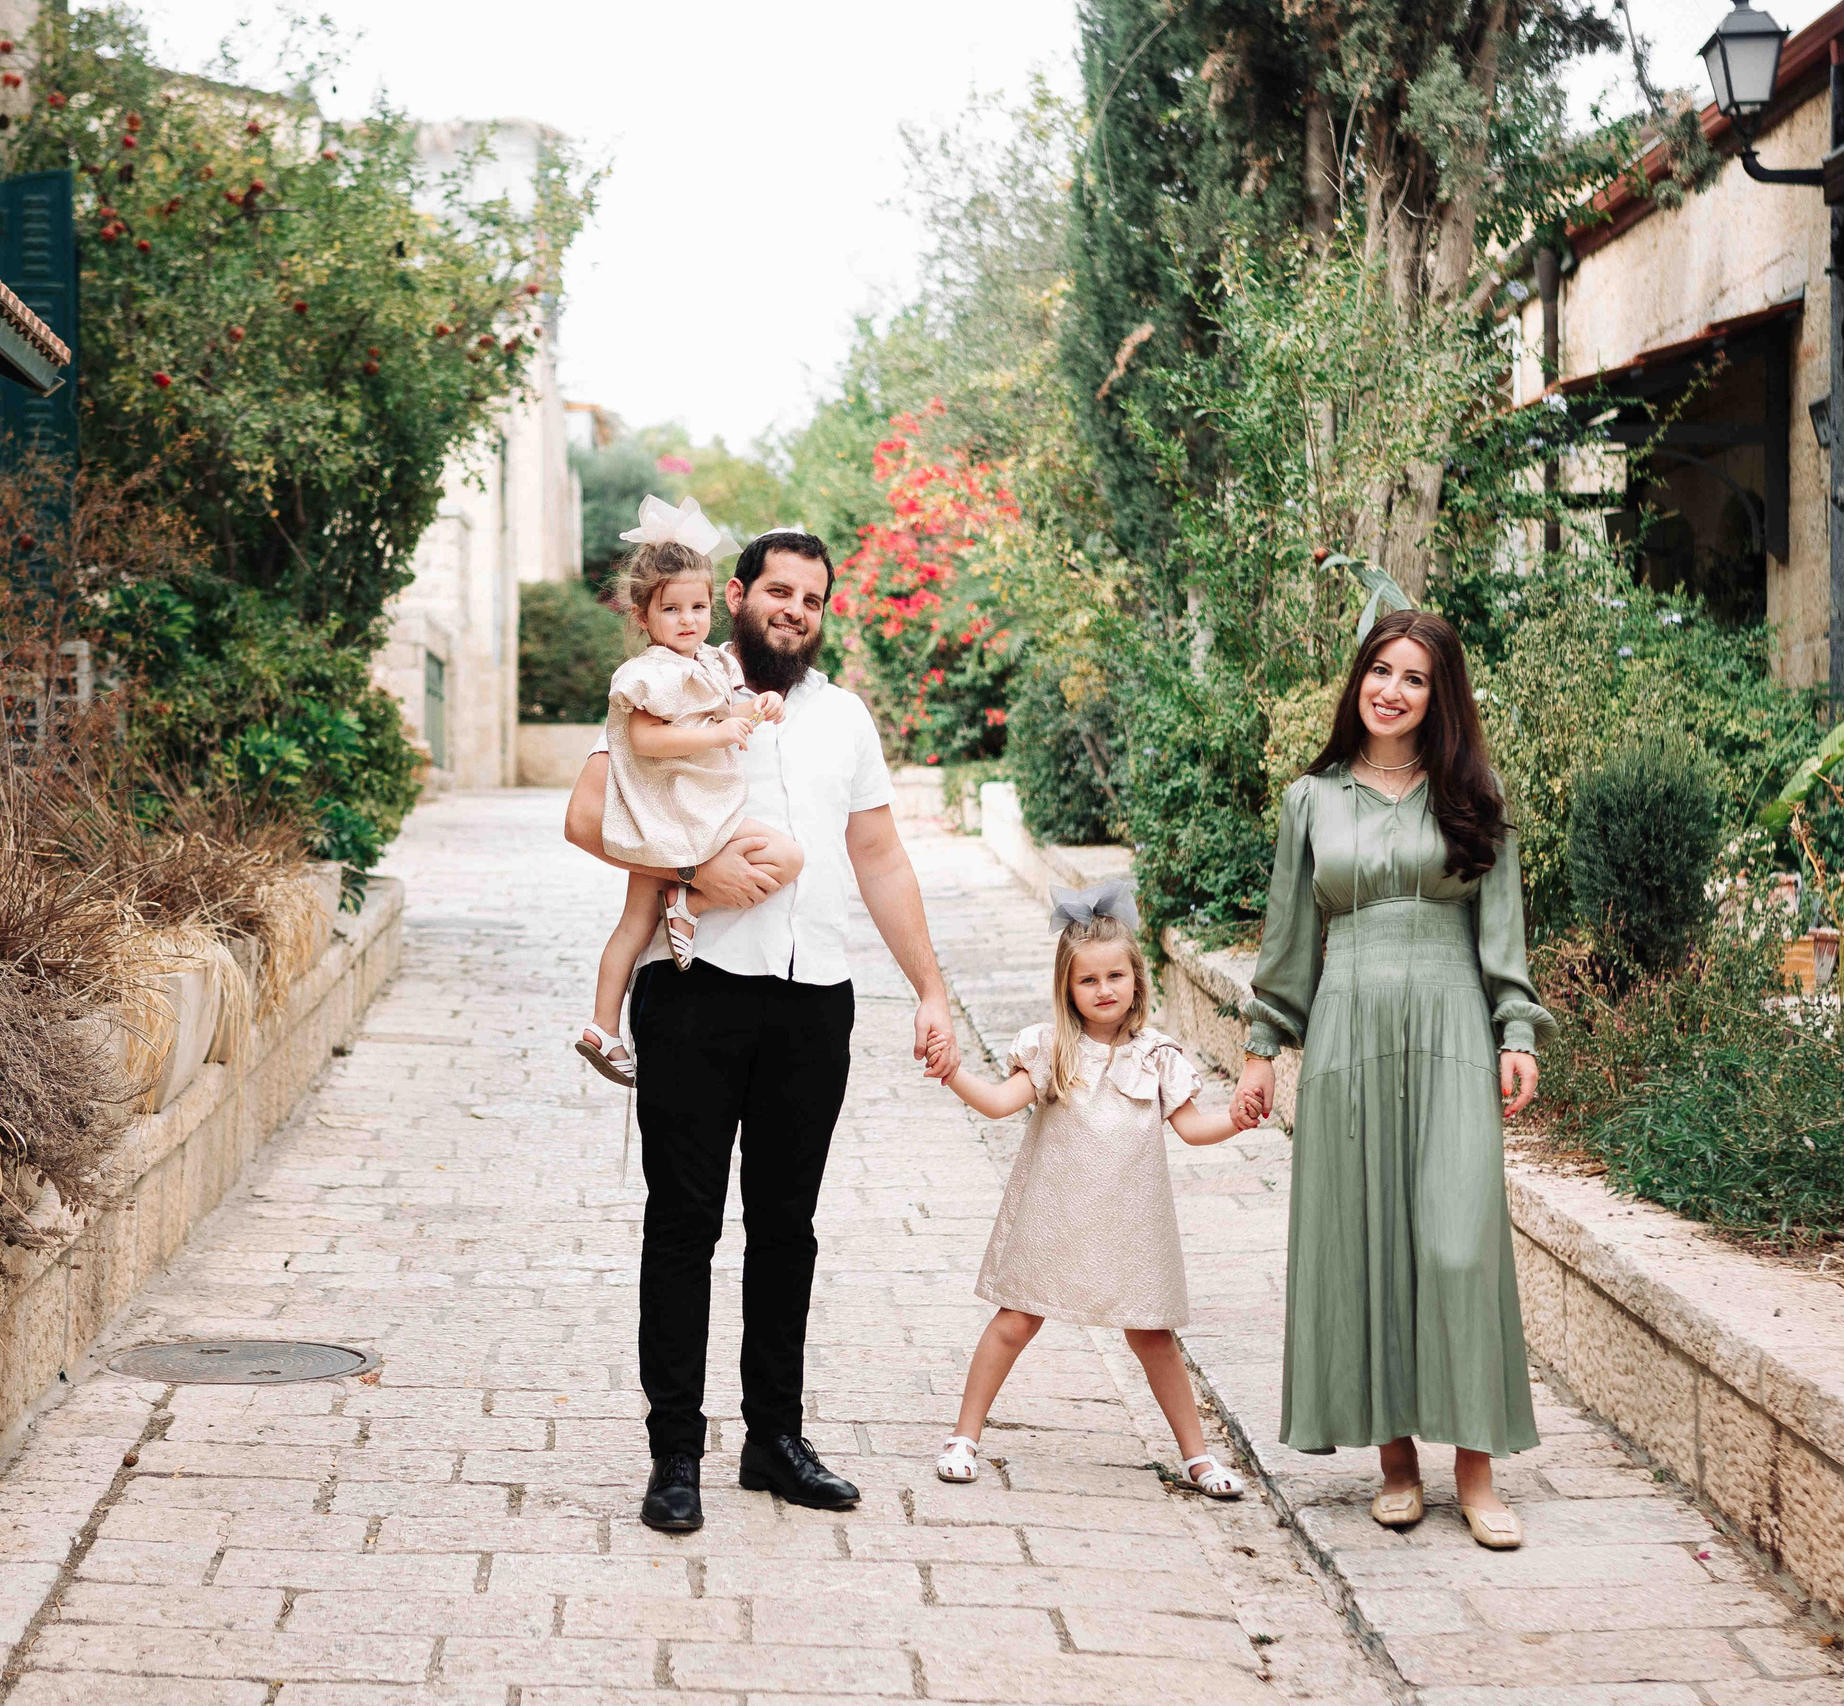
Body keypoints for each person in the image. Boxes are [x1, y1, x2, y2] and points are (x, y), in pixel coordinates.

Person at [564, 526, 960, 1534]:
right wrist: (693, 877)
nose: (794, 608)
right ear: (735, 594)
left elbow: (877, 857)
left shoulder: (843, 718)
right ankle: (673, 1453)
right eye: (776, 590)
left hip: (814, 995)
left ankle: (774, 1440)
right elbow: (584, 812)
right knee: (683, 1225)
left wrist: (930, 987)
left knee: (788, 1228)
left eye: (812, 598)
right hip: (695, 988)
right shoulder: (676, 679)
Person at [1227, 606, 1552, 1551]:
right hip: (1350, 1033)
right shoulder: (1311, 801)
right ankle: (1399, 1463)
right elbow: (1288, 944)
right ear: (1357, 679)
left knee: (1460, 1242)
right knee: (1365, 1237)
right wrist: (1261, 1051)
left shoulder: (1474, 793)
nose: (1392, 691)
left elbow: (1503, 932)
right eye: (1379, 670)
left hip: (1452, 1021)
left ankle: (1478, 1471)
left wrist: (1516, 1029)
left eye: (1414, 677)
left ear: (1438, 694)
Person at [926, 882, 1252, 1498]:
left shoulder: (1158, 1057)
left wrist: (1235, 1118)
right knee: (1016, 1318)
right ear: (1067, 989)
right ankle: (964, 1435)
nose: (1105, 991)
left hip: (1131, 1220)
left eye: (1115, 977)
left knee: (1151, 1332)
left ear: (1137, 979)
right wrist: (954, 1074)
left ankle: (1198, 1456)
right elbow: (998, 1104)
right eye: (1089, 981)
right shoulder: (1054, 1050)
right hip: (1056, 1214)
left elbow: (1191, 1128)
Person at [574, 497, 793, 1088]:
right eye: (672, 609)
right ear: (643, 615)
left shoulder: (705, 667)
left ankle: (605, 1024)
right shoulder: (648, 672)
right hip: (674, 814)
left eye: (698, 606)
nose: (689, 619)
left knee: (635, 923)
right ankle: (680, 915)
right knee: (786, 856)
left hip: (686, 813)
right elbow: (646, 740)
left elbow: (727, 705)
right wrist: (721, 730)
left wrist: (759, 705)